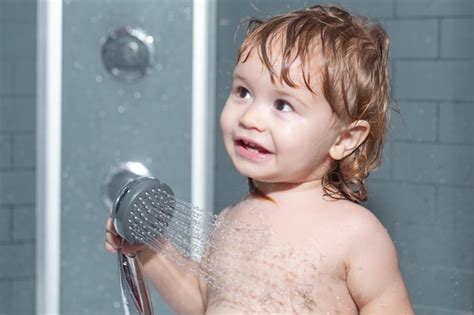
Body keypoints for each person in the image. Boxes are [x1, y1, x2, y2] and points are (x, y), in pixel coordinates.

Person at [106, 4, 414, 314]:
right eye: (243, 92)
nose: (250, 117)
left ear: (343, 139)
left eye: (282, 105)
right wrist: (149, 249)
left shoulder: (355, 233)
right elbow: (204, 306)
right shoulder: (231, 219)